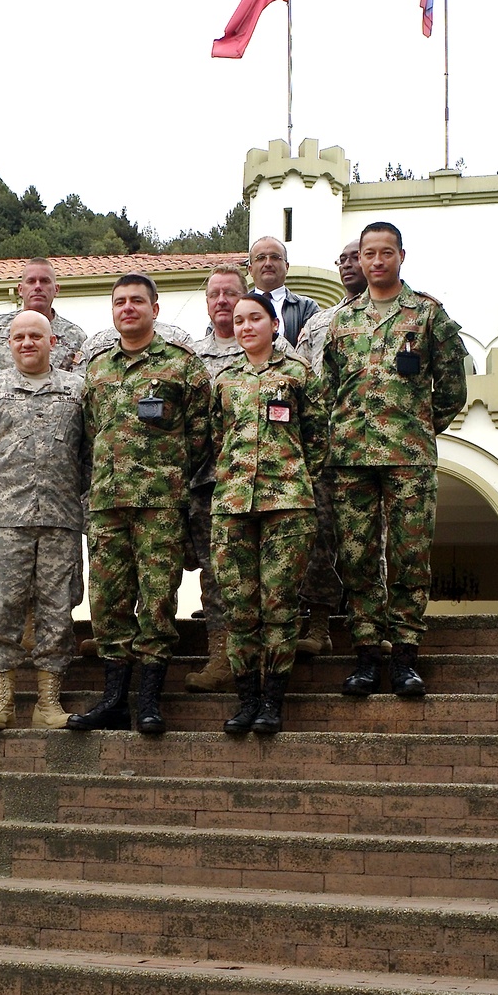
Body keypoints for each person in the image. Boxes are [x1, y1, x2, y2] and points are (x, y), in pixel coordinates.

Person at [323, 221, 468, 697]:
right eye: (369, 253)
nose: (377, 261)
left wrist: (418, 429)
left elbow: (452, 389)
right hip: (350, 460)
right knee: (358, 558)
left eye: (386, 252)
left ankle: (405, 656)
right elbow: (327, 390)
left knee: (409, 556)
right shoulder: (342, 321)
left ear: (401, 256)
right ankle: (366, 656)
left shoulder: (426, 315)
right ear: (359, 259)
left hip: (409, 458)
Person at [66, 272, 211, 734]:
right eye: (120, 302)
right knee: (107, 602)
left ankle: (148, 699)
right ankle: (113, 700)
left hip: (160, 505)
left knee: (156, 601)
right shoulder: (97, 369)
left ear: (155, 309)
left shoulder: (182, 366)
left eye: (136, 301)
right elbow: (91, 432)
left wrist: (174, 483)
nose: (127, 308)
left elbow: (203, 434)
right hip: (107, 504)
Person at [0, 310, 85, 730]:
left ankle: (47, 703)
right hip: (5, 522)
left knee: (57, 610)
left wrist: (76, 495)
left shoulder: (76, 392)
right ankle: (2, 701)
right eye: (18, 337)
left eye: (36, 335)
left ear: (54, 343)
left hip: (61, 521)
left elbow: (89, 454)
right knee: (1, 608)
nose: (27, 342)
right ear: (8, 344)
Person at [211, 293, 327, 735]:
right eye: (238, 320)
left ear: (275, 324)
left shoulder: (299, 374)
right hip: (232, 506)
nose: (245, 327)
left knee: (278, 605)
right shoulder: (223, 378)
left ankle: (272, 702)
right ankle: (246, 701)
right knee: (239, 608)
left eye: (254, 318)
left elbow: (318, 435)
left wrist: (296, 477)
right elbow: (213, 436)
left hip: (287, 506)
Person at [294, 240, 366, 656]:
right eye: (342, 259)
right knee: (320, 536)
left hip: (374, 449)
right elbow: (301, 379)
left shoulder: (410, 313)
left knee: (368, 540)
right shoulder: (320, 323)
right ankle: (318, 624)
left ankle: (370, 628)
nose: (348, 264)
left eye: (355, 256)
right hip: (323, 448)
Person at [184, 265, 247, 692]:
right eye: (214, 294)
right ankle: (220, 655)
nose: (221, 300)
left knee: (252, 572)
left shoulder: (262, 350)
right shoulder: (189, 357)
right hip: (204, 483)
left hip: (256, 483)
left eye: (230, 293)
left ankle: (253, 655)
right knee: (214, 571)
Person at [0, 258, 86, 374]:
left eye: (44, 281)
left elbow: (80, 383)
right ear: (20, 289)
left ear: (56, 289)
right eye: (31, 281)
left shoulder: (76, 337)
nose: (38, 287)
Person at [248, 236, 319, 345]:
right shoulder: (236, 308)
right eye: (261, 258)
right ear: (250, 269)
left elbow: (315, 348)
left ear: (287, 267)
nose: (268, 264)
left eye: (275, 257)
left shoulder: (306, 308)